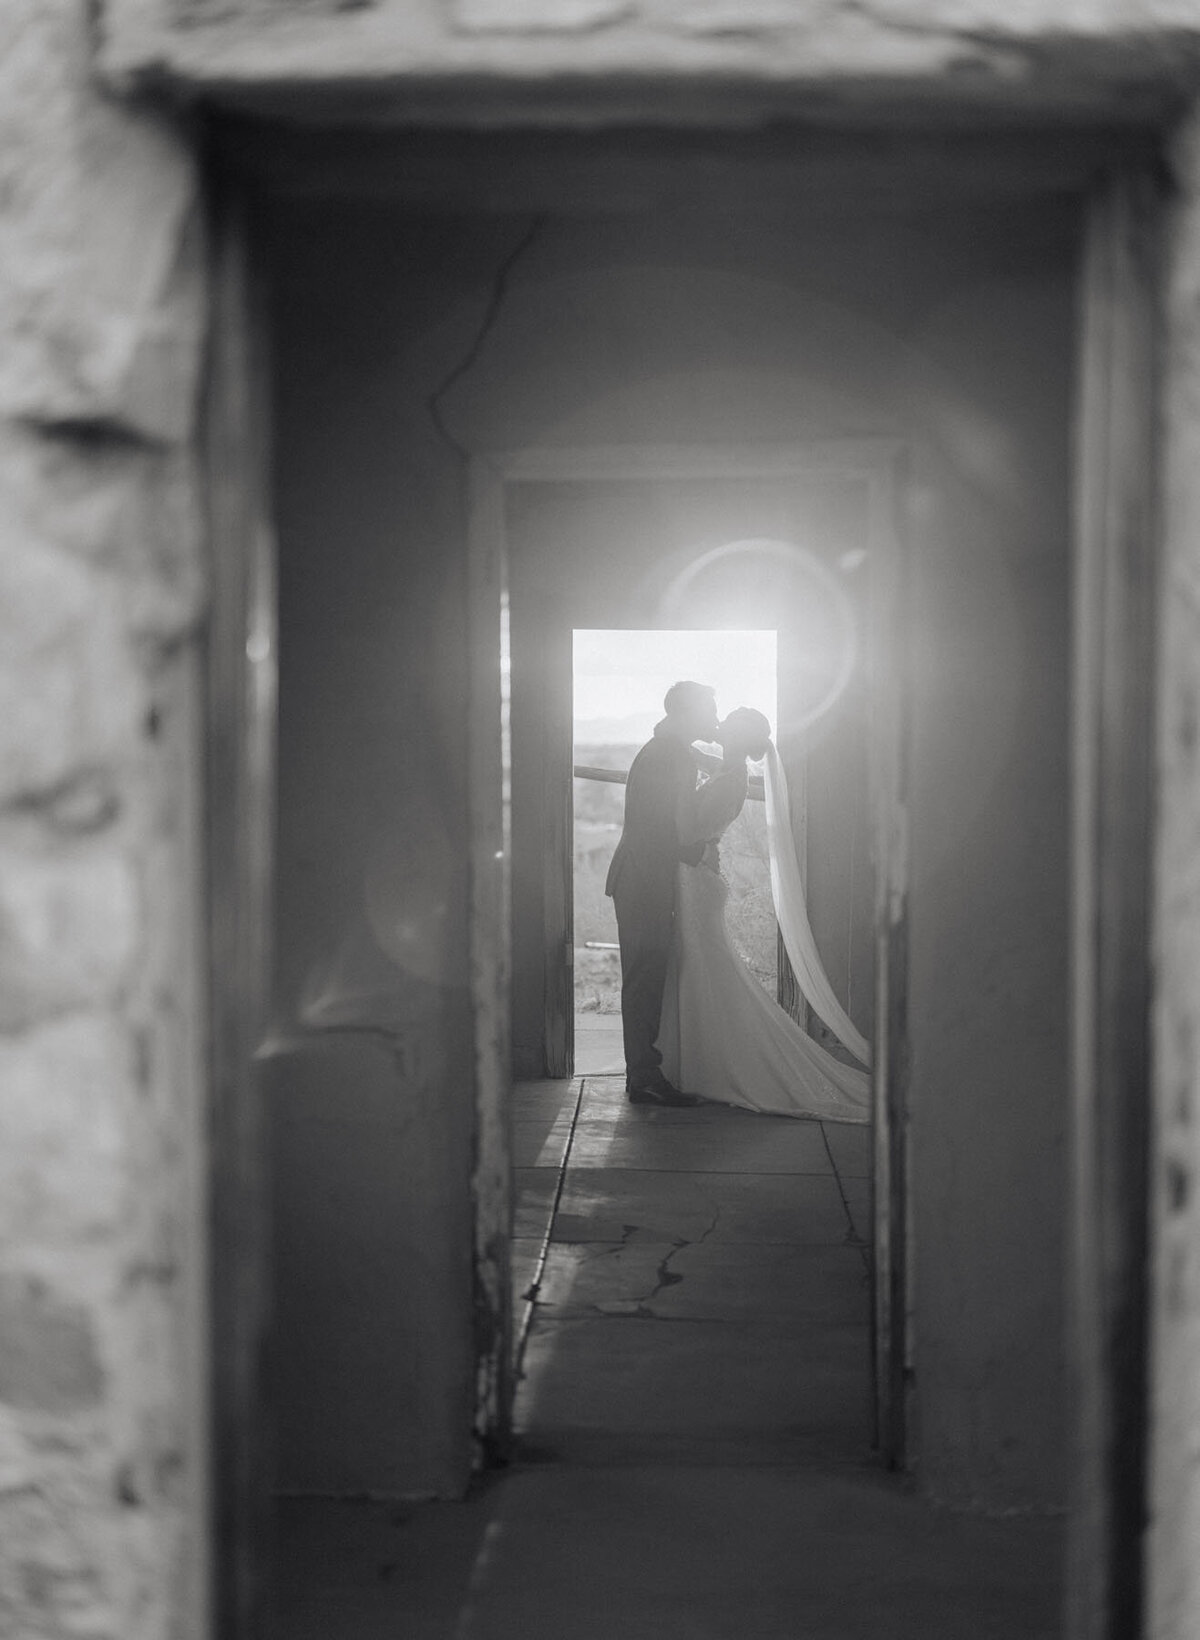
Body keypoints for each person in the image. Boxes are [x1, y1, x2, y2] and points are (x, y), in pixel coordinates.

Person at [658, 705, 870, 1123]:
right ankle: (691, 1062)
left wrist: (669, 810)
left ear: (738, 737)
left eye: (728, 723)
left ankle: (710, 1066)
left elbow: (691, 832)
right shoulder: (727, 768)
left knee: (703, 973)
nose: (718, 724)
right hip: (695, 878)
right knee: (698, 973)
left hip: (697, 882)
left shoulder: (731, 780)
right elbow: (697, 761)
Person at [604, 681, 750, 1106]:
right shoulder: (673, 754)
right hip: (645, 879)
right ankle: (645, 1077)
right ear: (687, 711)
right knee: (644, 979)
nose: (716, 719)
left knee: (649, 976)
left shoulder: (669, 747)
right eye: (711, 710)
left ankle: (647, 1072)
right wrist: (703, 849)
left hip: (641, 875)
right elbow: (676, 830)